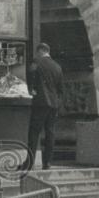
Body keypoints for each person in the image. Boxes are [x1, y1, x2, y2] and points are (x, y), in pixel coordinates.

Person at [18, 43, 64, 171]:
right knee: (50, 133)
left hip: (40, 103)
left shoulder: (36, 62)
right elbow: (61, 89)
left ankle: (29, 163)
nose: (36, 55)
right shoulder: (58, 67)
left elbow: (30, 77)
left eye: (37, 52)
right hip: (54, 104)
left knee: (34, 133)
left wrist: (31, 89)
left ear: (40, 51)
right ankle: (47, 162)